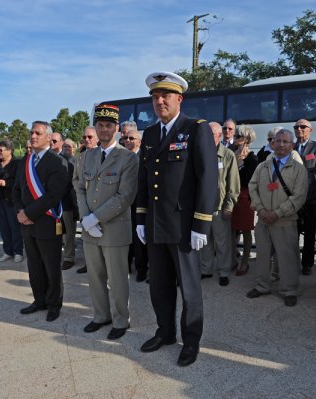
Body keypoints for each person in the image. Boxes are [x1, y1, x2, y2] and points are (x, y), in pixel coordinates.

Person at [135, 71, 217, 367]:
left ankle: (191, 341)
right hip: (156, 225)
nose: (159, 102)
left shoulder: (196, 129)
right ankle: (165, 332)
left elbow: (208, 177)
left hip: (184, 226)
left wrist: (201, 223)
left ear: (178, 99)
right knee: (159, 285)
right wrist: (141, 218)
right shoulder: (150, 134)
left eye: (165, 96)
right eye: (155, 97)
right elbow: (145, 179)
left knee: (190, 289)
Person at [75, 104, 138, 340]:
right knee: (95, 276)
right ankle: (101, 316)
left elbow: (125, 196)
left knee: (118, 278)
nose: (104, 129)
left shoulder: (128, 158)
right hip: (91, 229)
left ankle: (122, 319)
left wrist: (95, 218)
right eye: (100, 125)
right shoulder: (86, 156)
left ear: (117, 129)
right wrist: (85, 218)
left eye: (108, 125)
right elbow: (80, 187)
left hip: (114, 229)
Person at [14, 121, 69, 322]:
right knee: (34, 265)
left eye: (38, 133)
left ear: (48, 137)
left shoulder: (57, 161)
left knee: (51, 266)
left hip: (47, 222)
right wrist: (20, 212)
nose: (33, 136)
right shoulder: (25, 161)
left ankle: (54, 303)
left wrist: (29, 213)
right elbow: (17, 189)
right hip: (27, 224)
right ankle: (39, 300)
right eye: (31, 132)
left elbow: (54, 195)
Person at [246, 129, 308, 306]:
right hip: (264, 219)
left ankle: (289, 290)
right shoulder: (263, 166)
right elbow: (253, 187)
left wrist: (277, 213)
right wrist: (261, 209)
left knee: (286, 256)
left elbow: (299, 196)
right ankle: (262, 285)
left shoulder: (299, 169)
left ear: (292, 145)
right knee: (263, 255)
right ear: (272, 144)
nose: (281, 144)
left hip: (285, 220)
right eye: (277, 141)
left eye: (285, 142)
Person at [200, 122, 240, 286]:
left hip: (219, 207)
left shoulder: (228, 155)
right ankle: (206, 270)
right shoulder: (199, 153)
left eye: (211, 134)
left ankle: (224, 271)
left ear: (218, 136)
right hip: (202, 208)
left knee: (222, 242)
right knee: (205, 242)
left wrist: (229, 206)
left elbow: (233, 184)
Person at [293, 119, 316, 275]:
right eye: (296, 127)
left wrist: (298, 177)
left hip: (310, 198)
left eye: (303, 127)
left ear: (310, 130)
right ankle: (292, 262)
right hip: (291, 199)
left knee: (309, 233)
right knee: (292, 232)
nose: (299, 129)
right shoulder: (290, 147)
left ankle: (307, 264)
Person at [0, 139, 23, 263]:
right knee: (3, 227)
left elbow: (19, 182)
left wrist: (6, 183)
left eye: (1, 150)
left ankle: (18, 252)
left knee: (15, 227)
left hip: (12, 201)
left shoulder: (17, 163)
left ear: (10, 150)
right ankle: (7, 251)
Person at [232, 125, 258, 275]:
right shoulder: (230, 154)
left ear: (246, 139)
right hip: (231, 196)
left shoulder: (252, 159)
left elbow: (248, 180)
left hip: (245, 197)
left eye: (238, 136)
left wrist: (239, 165)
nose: (235, 138)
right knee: (231, 229)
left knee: (246, 230)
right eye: (235, 136)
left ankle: (245, 262)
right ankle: (233, 258)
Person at [125, 128, 149, 281]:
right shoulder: (121, 156)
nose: (128, 140)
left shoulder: (145, 156)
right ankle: (126, 266)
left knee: (139, 238)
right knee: (125, 236)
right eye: (126, 138)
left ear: (139, 141)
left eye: (131, 138)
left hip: (139, 203)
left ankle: (141, 269)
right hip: (123, 204)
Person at [52, 132, 78, 271]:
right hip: (53, 203)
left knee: (68, 232)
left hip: (66, 202)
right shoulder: (49, 159)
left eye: (54, 141)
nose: (52, 143)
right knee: (57, 231)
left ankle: (69, 257)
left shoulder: (71, 160)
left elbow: (70, 182)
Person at [75, 126, 99, 274]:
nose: (87, 140)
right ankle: (89, 264)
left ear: (97, 138)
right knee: (87, 237)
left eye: (90, 137)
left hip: (101, 205)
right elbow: (75, 178)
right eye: (84, 137)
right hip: (84, 203)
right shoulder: (81, 157)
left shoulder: (105, 154)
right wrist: (79, 190)